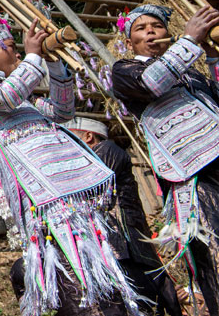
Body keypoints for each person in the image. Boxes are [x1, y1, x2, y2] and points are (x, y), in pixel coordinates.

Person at [0, 17, 139, 316]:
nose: (17, 54)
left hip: (69, 184)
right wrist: (34, 55)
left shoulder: (24, 93)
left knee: (98, 261)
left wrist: (53, 65)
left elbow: (62, 111)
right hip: (38, 190)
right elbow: (6, 96)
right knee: (65, 263)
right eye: (13, 47)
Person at [110, 4, 219, 316]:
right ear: (130, 41)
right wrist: (190, 40)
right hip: (194, 180)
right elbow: (154, 83)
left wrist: (216, 58)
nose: (150, 31)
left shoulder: (192, 72)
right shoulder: (125, 72)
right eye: (141, 28)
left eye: (156, 26)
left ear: (166, 32)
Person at [65, 117, 182, 316]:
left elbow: (94, 185)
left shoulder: (107, 149)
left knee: (140, 293)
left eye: (72, 137)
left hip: (125, 240)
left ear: (88, 136)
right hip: (116, 242)